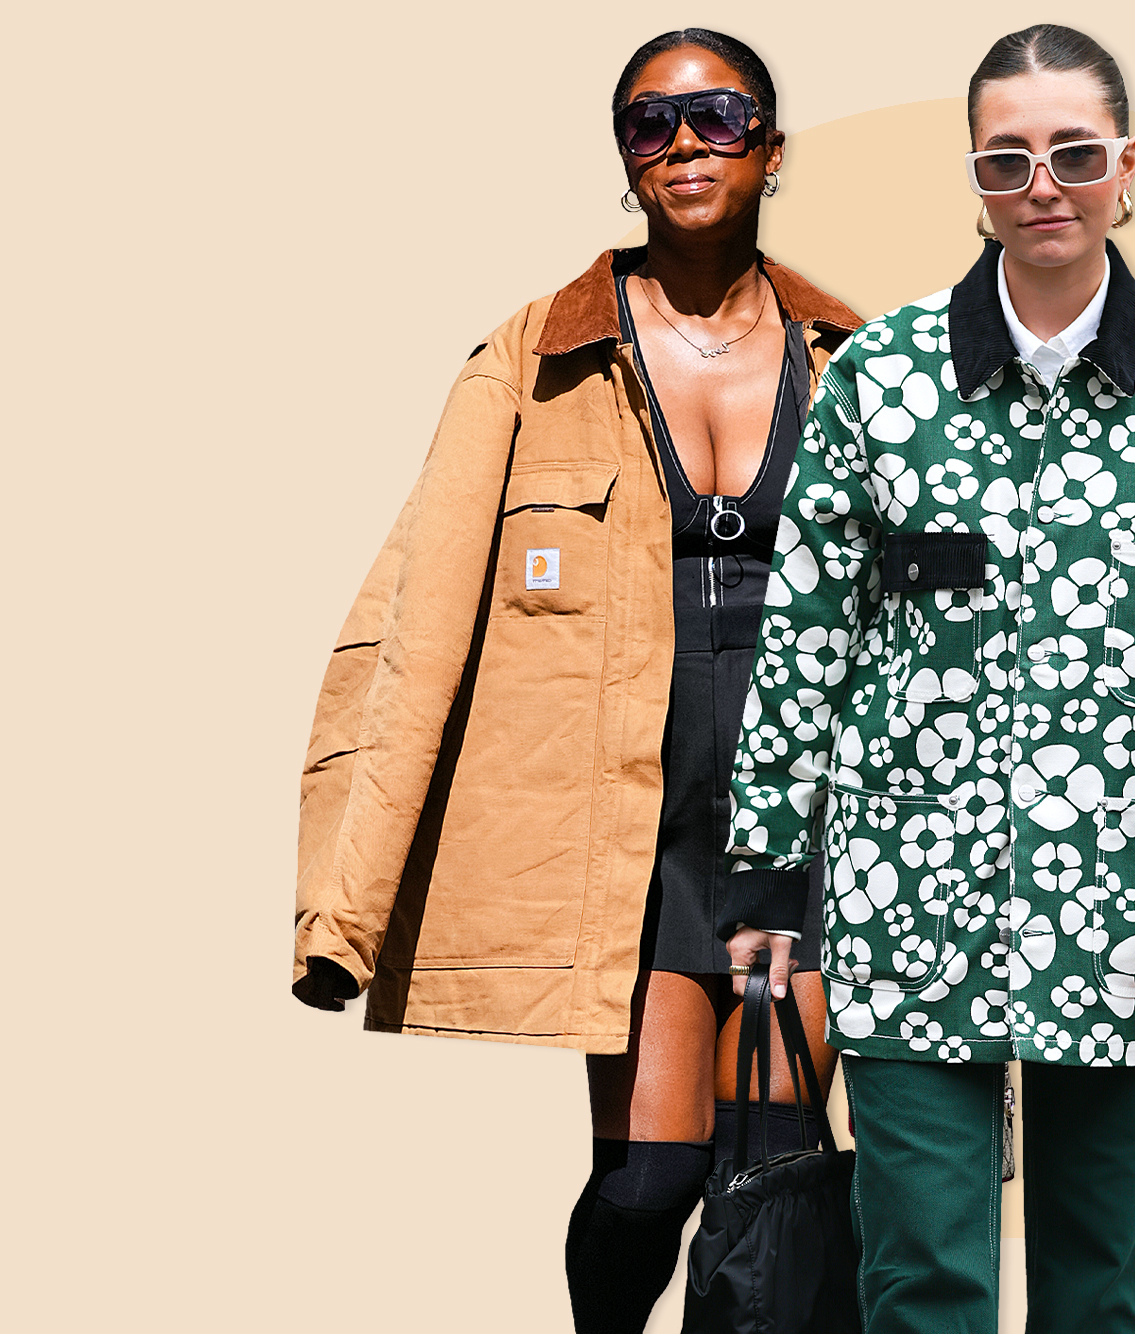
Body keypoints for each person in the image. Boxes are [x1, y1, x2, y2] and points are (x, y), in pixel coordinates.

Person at [720, 24, 1135, 1334]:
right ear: (974, 178)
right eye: (1009, 159)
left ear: (1127, 165)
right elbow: (804, 632)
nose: (1045, 184)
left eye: (1076, 154)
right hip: (910, 892)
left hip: (1127, 903)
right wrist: (763, 871)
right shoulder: (882, 377)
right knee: (924, 1279)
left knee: (1099, 1283)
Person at [288, 28, 860, 1333]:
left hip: (819, 806)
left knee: (773, 1160)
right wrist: (344, 910)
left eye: (717, 116)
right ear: (624, 159)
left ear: (771, 145)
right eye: (649, 124)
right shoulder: (533, 355)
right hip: (634, 816)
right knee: (651, 1176)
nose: (683, 145)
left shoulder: (857, 354)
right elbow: (418, 616)